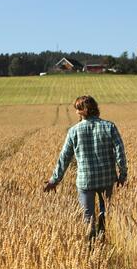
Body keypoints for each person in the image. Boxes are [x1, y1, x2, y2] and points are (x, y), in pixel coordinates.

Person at [44, 96, 127, 238]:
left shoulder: (74, 131)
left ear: (82, 111)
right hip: (106, 178)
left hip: (85, 180)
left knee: (87, 216)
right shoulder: (109, 126)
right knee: (105, 211)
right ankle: (102, 236)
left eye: (77, 109)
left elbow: (64, 157)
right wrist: (122, 175)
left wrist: (54, 180)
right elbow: (120, 152)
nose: (76, 112)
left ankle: (90, 244)